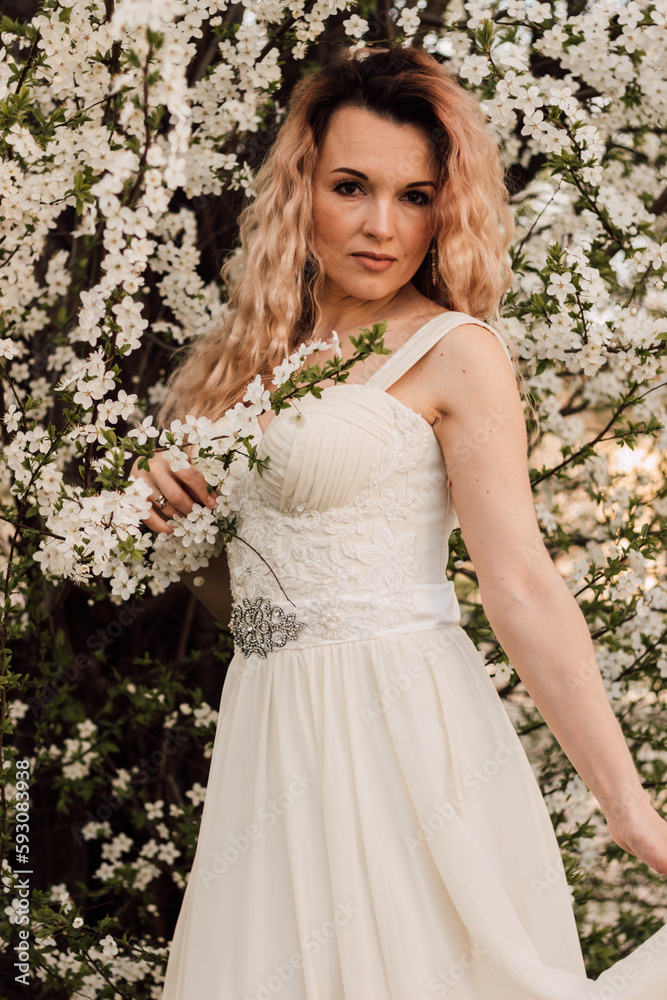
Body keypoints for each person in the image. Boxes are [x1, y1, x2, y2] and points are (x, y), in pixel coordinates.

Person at [131, 44, 667, 1000]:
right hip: (270, 733)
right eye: (351, 187)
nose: (383, 226)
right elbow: (247, 601)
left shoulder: (456, 352)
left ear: (444, 207)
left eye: (415, 196)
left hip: (402, 734)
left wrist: (630, 813)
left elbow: (520, 583)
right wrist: (171, 515)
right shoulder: (247, 355)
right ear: (302, 189)